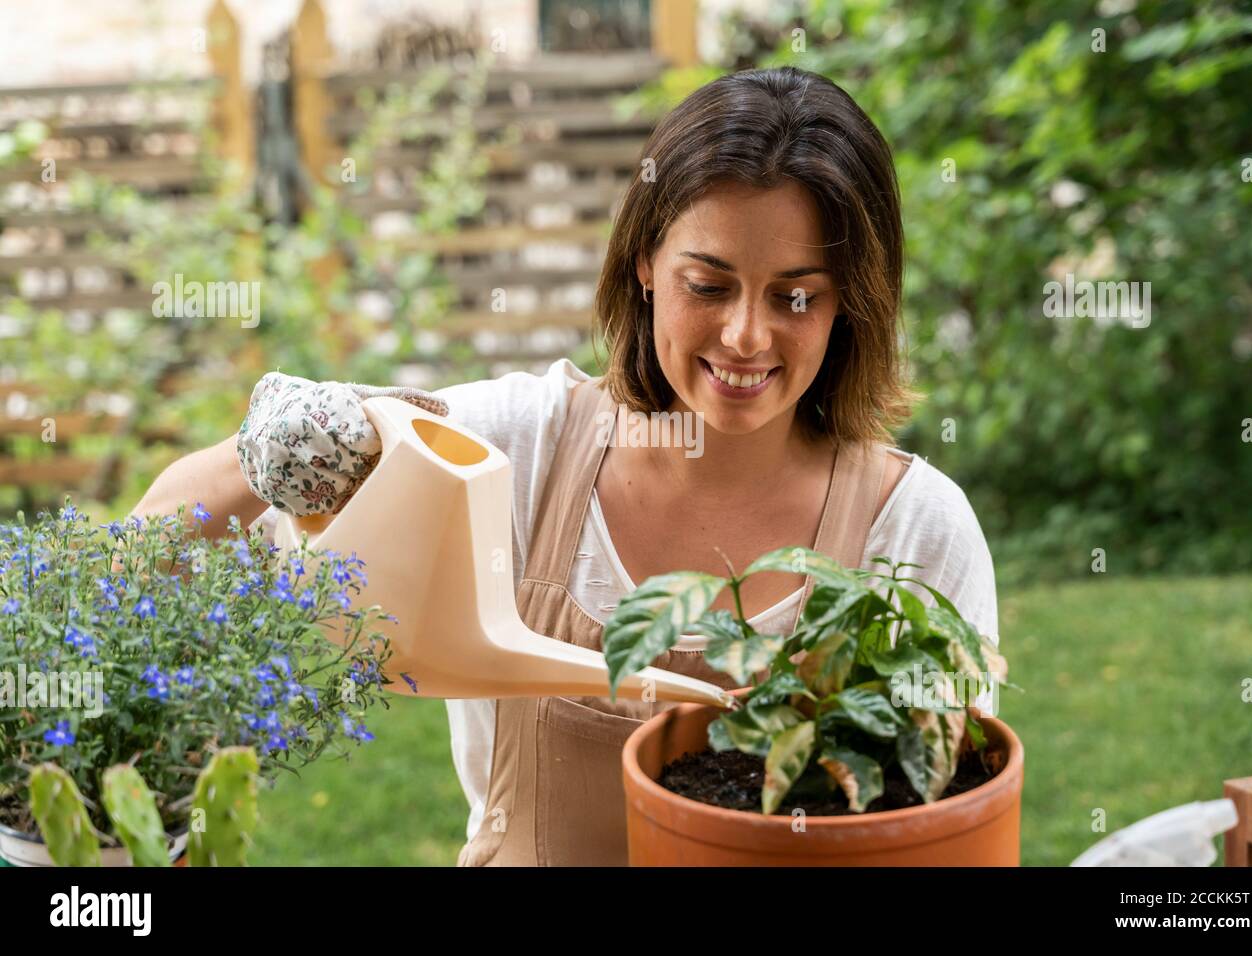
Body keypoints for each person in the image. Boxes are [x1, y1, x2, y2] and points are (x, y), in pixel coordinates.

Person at [130, 65, 999, 867]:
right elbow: (161, 543)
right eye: (709, 283)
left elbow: (954, 823)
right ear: (645, 265)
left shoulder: (914, 528)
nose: (746, 335)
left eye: (795, 295)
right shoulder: (519, 449)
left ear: (852, 300)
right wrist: (278, 447)